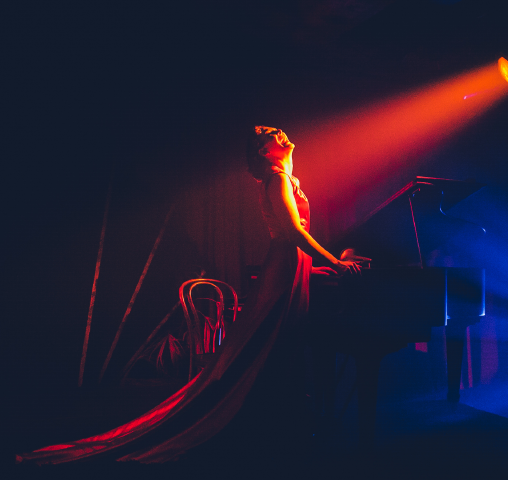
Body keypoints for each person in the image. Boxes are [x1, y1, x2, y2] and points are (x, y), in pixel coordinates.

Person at [16, 126, 360, 467]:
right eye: (270, 132)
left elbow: (294, 238)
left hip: (290, 267)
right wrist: (336, 264)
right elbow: (293, 232)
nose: (280, 132)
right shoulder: (277, 179)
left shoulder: (282, 177)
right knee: (267, 351)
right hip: (284, 267)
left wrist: (322, 268)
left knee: (275, 351)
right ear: (263, 150)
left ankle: (274, 429)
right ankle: (266, 434)